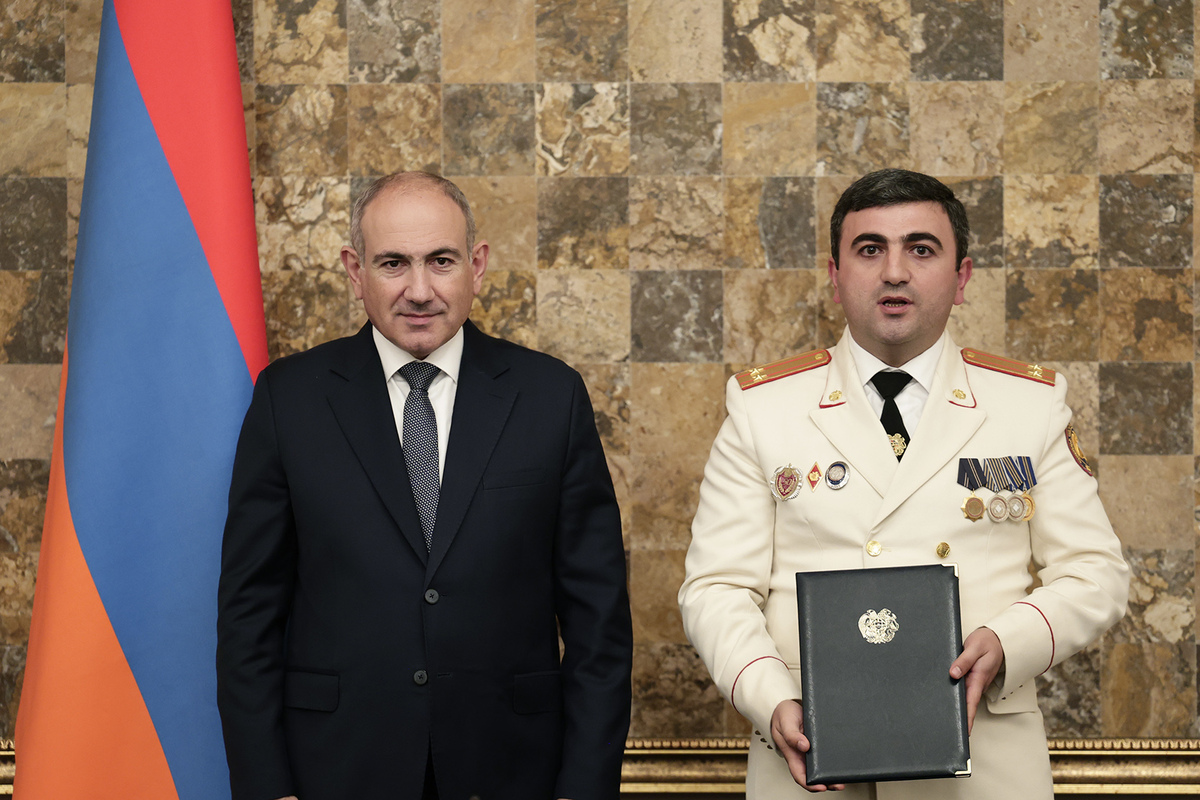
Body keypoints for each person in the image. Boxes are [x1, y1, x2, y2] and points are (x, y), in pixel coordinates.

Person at [678, 169, 1129, 799]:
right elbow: (716, 587)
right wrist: (770, 695)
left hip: (984, 765)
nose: (895, 272)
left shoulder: (1030, 405)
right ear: (835, 275)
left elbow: (1096, 573)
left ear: (961, 278)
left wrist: (1007, 641)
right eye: (870, 250)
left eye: (921, 249)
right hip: (811, 753)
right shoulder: (763, 408)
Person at [217, 171, 633, 800]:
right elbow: (249, 615)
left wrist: (584, 789)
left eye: (441, 261)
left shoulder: (551, 397)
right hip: (337, 769)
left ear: (477, 265)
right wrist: (266, 788)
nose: (419, 291)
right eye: (393, 263)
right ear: (355, 271)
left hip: (512, 769)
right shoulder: (289, 399)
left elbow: (598, 621)